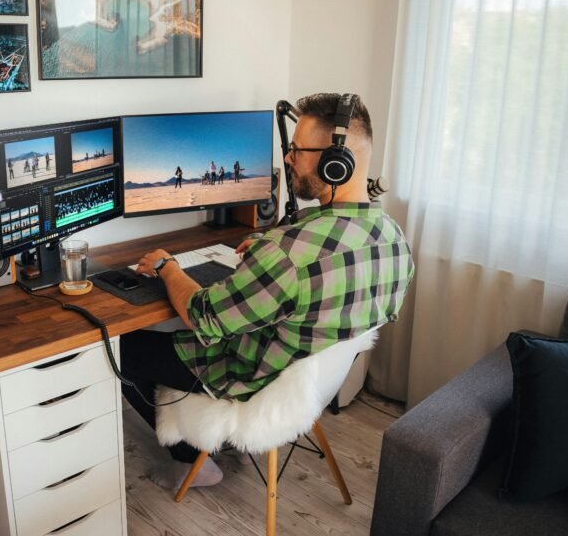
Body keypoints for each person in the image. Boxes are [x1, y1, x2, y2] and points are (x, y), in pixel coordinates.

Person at [120, 93, 414, 491]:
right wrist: (271, 245)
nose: (288, 158)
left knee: (122, 350)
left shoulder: (287, 256)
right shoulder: (396, 242)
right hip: (307, 388)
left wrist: (166, 265)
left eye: (297, 150)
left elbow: (202, 315)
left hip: (249, 380)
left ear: (335, 162)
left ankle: (191, 462)